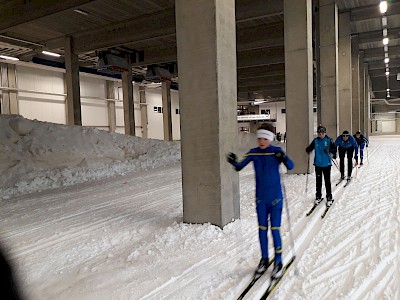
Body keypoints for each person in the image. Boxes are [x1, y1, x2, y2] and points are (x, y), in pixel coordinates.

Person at [227, 123, 294, 279]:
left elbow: (290, 165)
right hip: (261, 200)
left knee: (275, 229)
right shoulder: (254, 153)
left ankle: (278, 261)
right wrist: (233, 161)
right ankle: (264, 259)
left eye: (265, 138)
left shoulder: (276, 151)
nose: (262, 142)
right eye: (259, 139)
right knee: (262, 229)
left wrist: (283, 158)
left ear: (270, 139)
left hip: (276, 199)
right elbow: (239, 166)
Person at [305, 125, 336, 207]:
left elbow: (335, 149)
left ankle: (329, 197)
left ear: (325, 133)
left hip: (327, 164)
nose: (321, 135)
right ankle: (318, 196)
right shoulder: (315, 141)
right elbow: (310, 148)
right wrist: (308, 150)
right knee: (318, 181)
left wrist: (329, 150)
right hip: (318, 164)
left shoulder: (329, 140)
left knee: (327, 181)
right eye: (319, 134)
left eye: (322, 134)